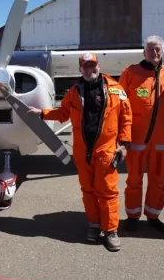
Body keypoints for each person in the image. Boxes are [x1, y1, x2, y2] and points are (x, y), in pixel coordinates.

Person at [27, 52, 132, 251]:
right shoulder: (74, 92)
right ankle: (94, 225)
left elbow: (126, 118)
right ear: (80, 69)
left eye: (92, 65)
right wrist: (42, 113)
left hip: (107, 150)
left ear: (98, 66)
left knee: (108, 192)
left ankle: (111, 231)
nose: (89, 70)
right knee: (88, 190)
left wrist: (124, 144)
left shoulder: (116, 90)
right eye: (85, 66)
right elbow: (63, 112)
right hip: (83, 152)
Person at [118, 35, 164, 232]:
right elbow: (119, 104)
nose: (155, 53)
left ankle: (153, 215)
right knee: (134, 179)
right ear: (144, 52)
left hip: (161, 139)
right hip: (136, 138)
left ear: (163, 51)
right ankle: (133, 216)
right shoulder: (130, 73)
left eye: (158, 49)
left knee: (158, 180)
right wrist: (120, 136)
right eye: (151, 49)